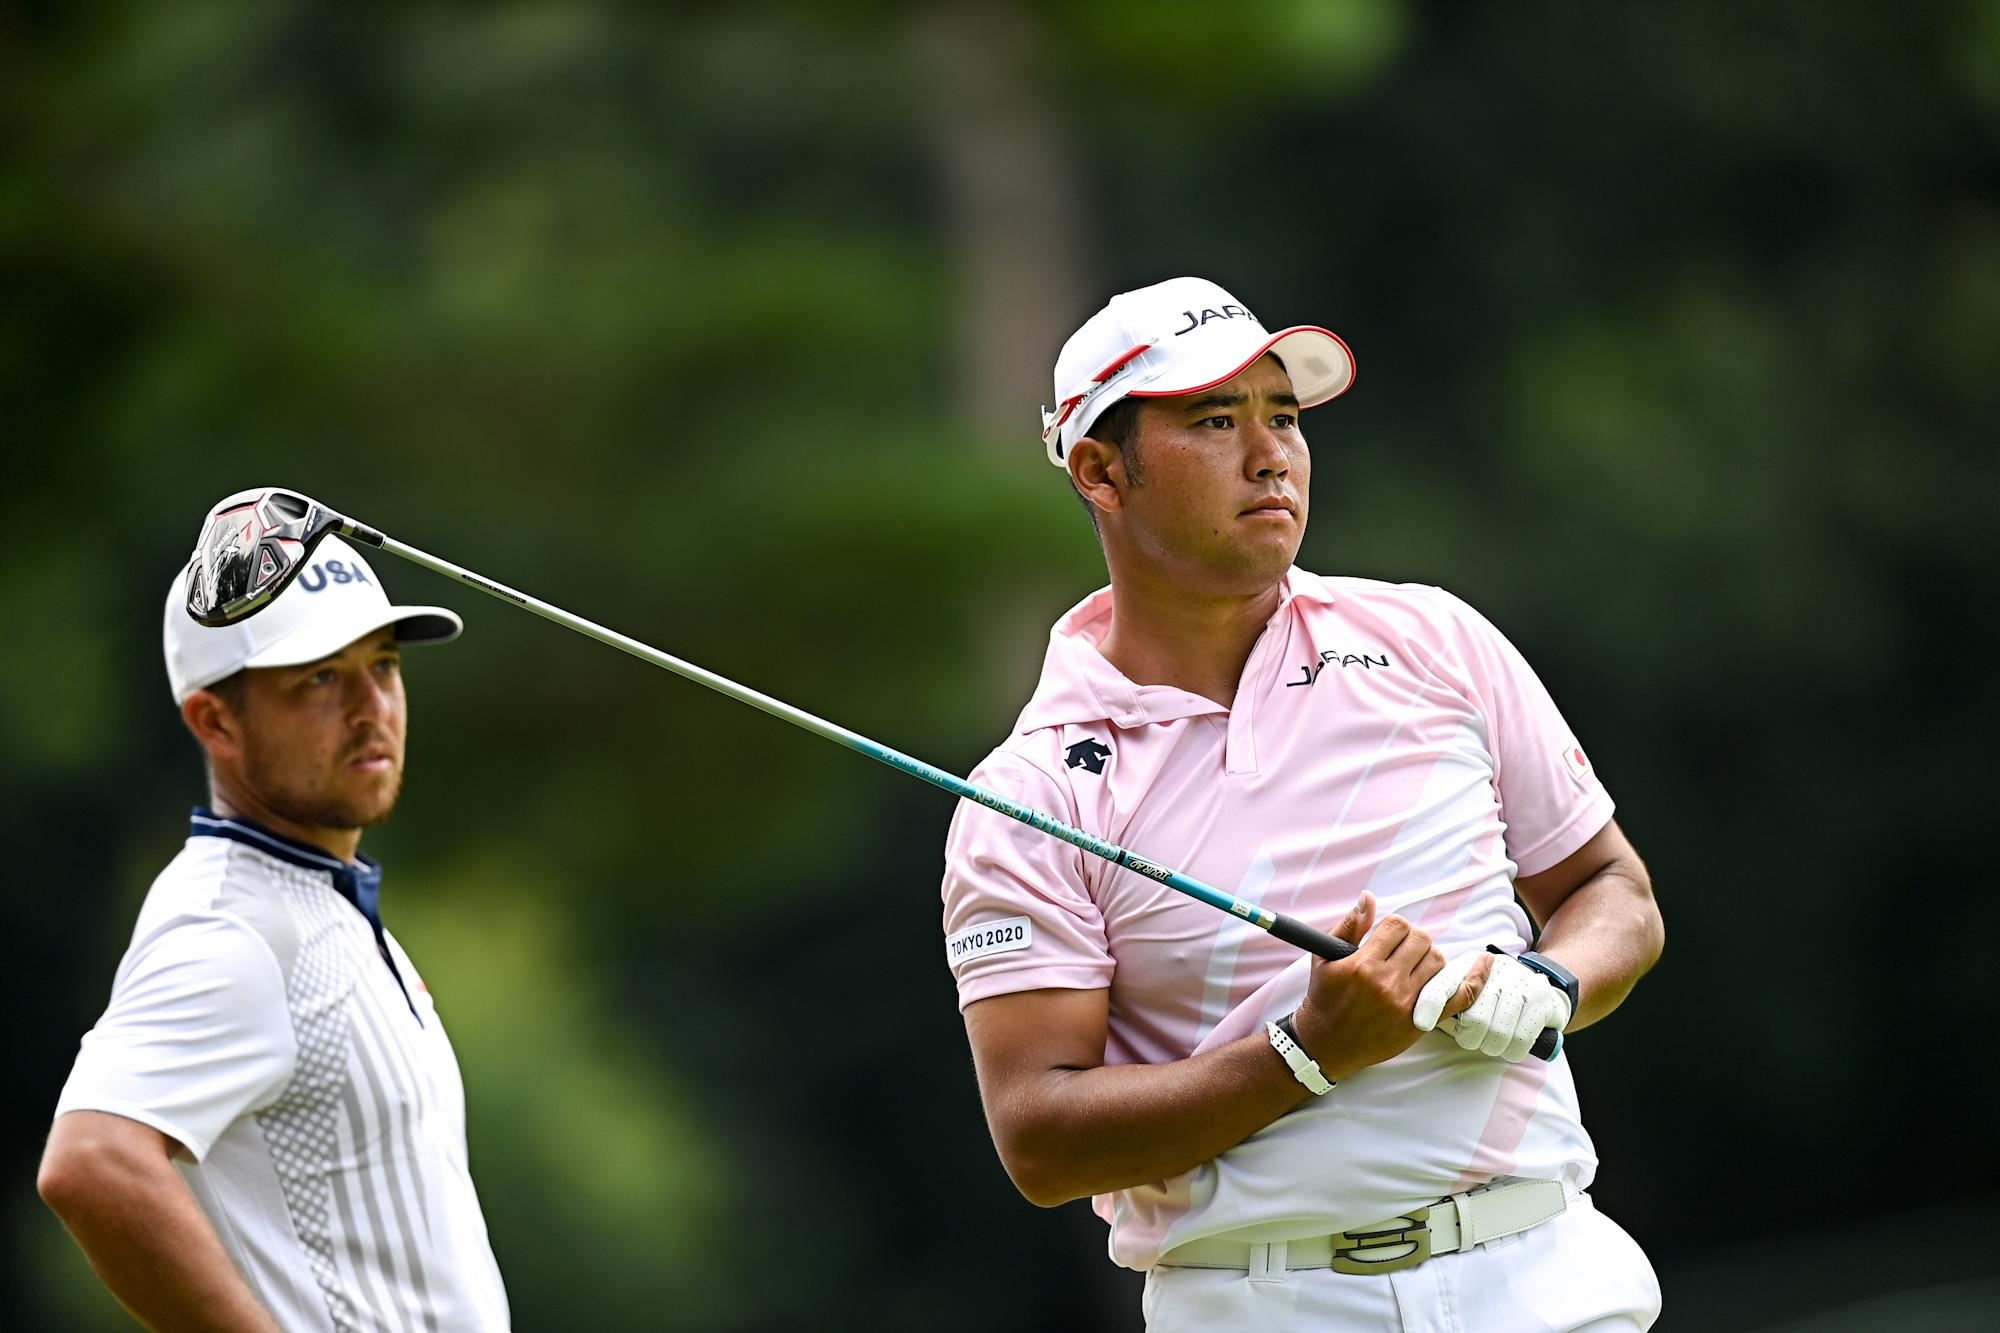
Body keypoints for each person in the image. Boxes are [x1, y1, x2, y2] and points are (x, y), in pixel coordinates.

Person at [939, 276, 1665, 1331]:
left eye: (1280, 415)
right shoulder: (1032, 794)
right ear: (1100, 469)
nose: (1268, 450)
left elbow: (1609, 888)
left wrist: (1548, 980)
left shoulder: (1434, 641)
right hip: (1263, 1300)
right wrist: (1303, 1054)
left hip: (1541, 1273)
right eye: (1213, 420)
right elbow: (1040, 1138)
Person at [38, 534, 511, 1331]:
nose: (372, 708)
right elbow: (92, 1161)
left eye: (384, 665)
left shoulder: (315, 904)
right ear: (215, 719)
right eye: (322, 677)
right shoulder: (234, 927)